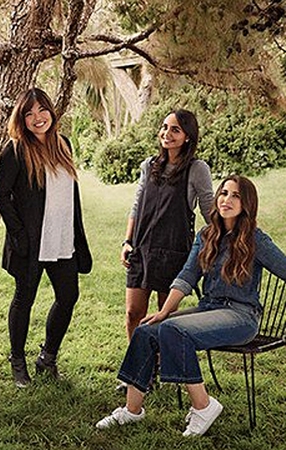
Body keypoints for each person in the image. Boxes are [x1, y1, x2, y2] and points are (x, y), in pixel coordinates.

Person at [97, 175, 286, 436]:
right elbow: (187, 276)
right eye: (224, 193)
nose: (226, 200)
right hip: (209, 309)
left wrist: (169, 320)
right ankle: (132, 410)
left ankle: (203, 405)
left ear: (247, 204)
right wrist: (164, 312)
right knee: (146, 330)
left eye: (235, 196)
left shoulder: (256, 239)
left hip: (241, 316)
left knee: (173, 330)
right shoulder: (208, 234)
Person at [0, 88, 92, 388]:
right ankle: (17, 359)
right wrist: (19, 234)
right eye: (29, 113)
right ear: (22, 119)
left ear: (51, 111)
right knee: (24, 299)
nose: (37, 118)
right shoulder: (16, 150)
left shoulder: (64, 145)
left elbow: (70, 195)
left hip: (63, 239)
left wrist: (78, 235)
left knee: (68, 297)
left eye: (41, 110)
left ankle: (47, 357)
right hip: (32, 243)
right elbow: (1, 195)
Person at [118, 109, 213, 392]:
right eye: (164, 127)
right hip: (143, 247)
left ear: (187, 137)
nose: (166, 134)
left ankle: (158, 364)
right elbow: (137, 206)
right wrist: (127, 241)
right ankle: (139, 370)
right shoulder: (149, 165)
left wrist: (227, 236)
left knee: (164, 315)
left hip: (174, 251)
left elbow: (209, 209)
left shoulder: (197, 169)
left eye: (175, 130)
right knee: (134, 312)